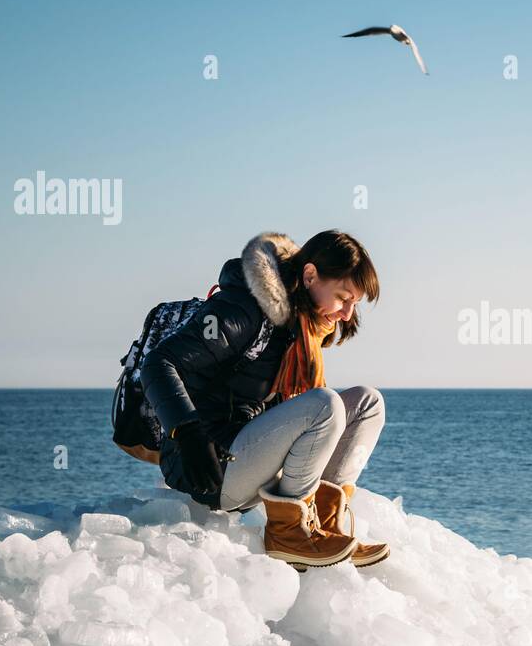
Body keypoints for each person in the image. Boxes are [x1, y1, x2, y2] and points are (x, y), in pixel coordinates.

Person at [141, 230, 388, 571]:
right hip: (212, 467)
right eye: (343, 297)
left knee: (367, 403)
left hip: (253, 453)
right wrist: (187, 433)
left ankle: (326, 527)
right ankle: (288, 534)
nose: (346, 314)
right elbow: (157, 363)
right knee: (324, 405)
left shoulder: (302, 327)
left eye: (354, 304)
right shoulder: (244, 311)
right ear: (311, 276)